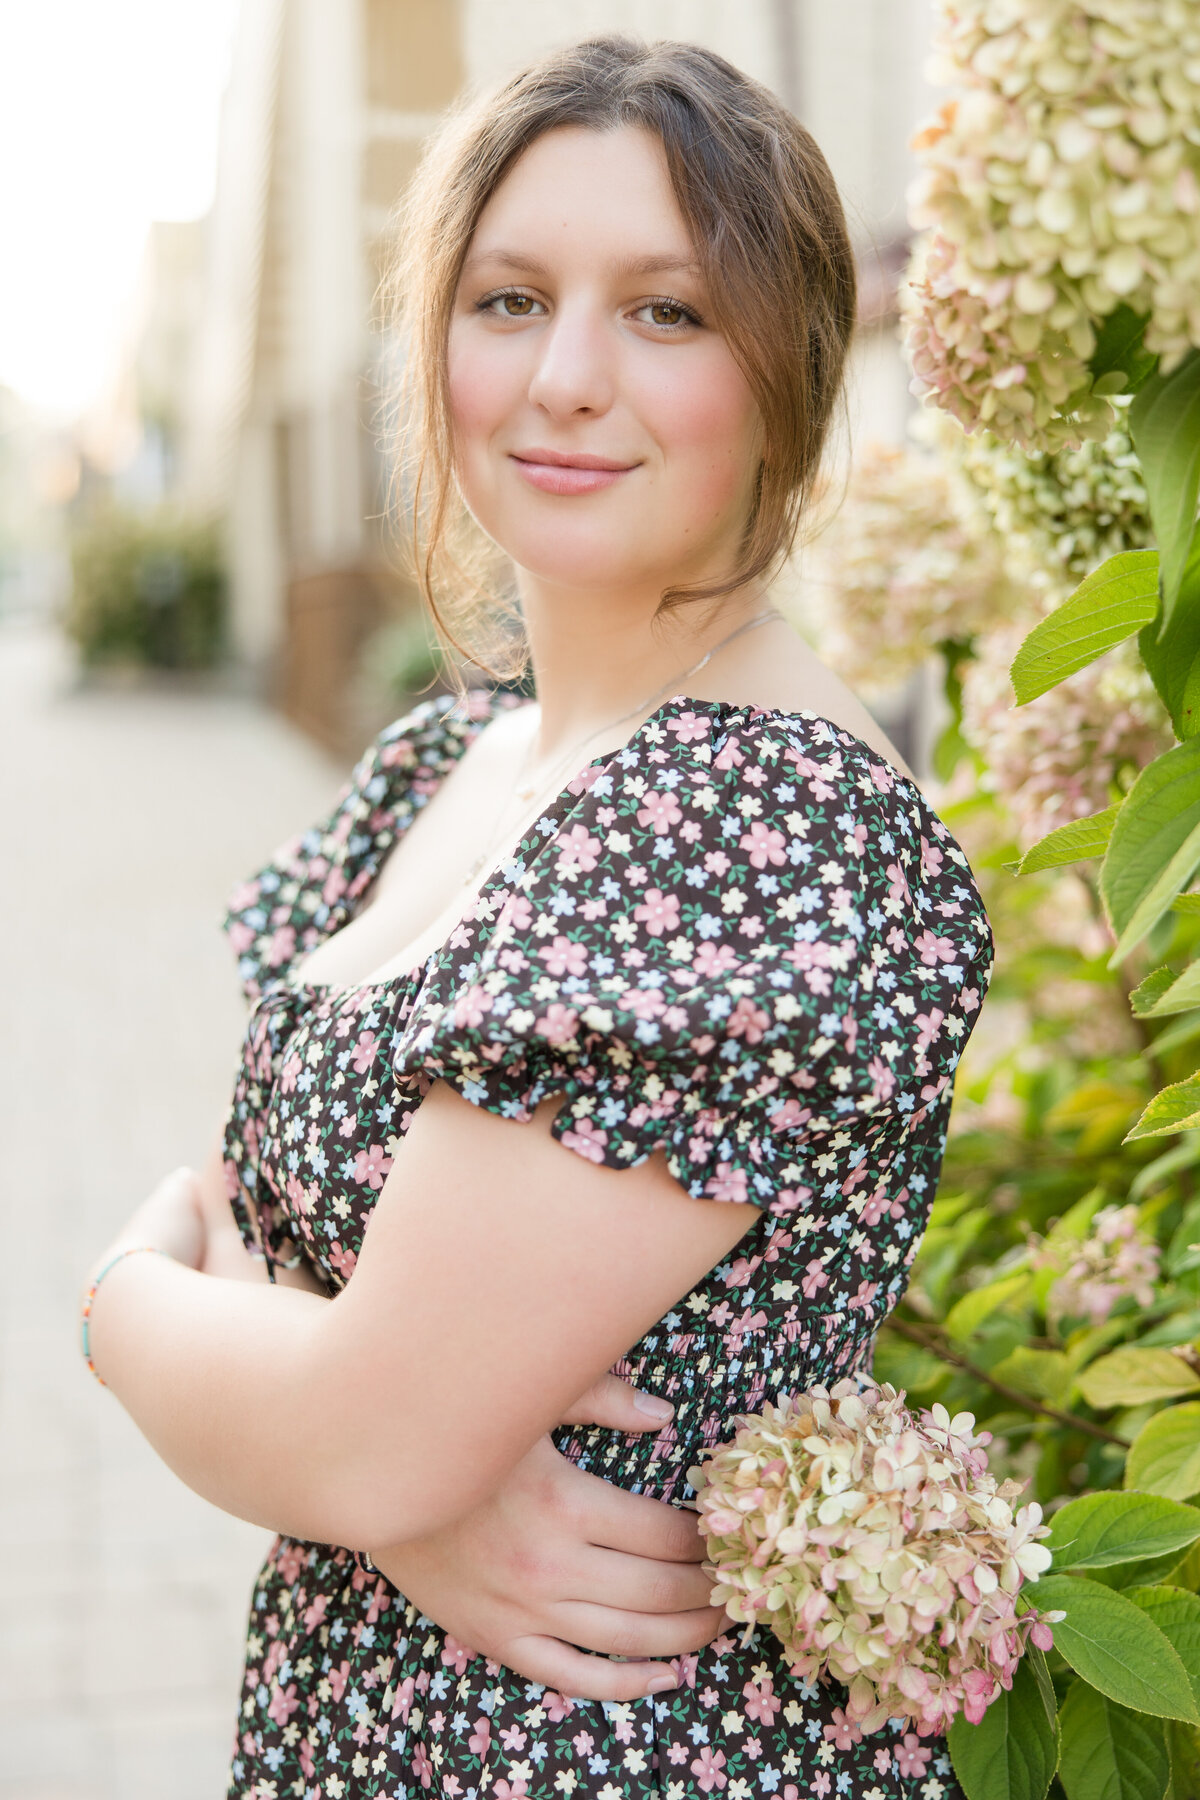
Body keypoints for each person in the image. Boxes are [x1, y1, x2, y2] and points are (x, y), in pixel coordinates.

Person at [81, 35, 992, 1800]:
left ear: (792, 372)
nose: (568, 376)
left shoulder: (749, 826)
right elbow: (272, 1240)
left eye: (667, 311)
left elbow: (328, 1400)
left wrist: (123, 1308)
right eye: (509, 299)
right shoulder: (452, 757)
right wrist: (387, 1479)